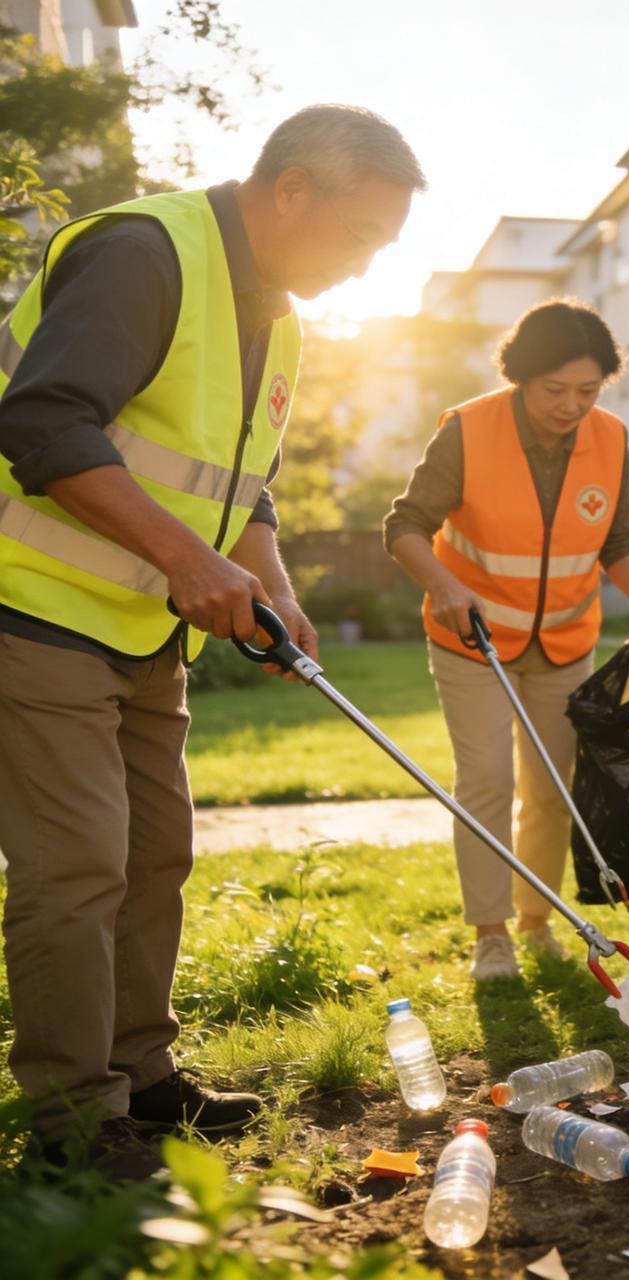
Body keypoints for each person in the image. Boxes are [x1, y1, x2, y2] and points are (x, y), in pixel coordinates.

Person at [0, 104, 424, 1178]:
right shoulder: (143, 254)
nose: (368, 265)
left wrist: (268, 578)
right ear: (291, 192)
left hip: (143, 624)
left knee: (156, 850)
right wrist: (195, 564)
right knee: (78, 863)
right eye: (361, 235)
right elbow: (44, 424)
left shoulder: (276, 313)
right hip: (32, 603)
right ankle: (71, 1123)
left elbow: (241, 479)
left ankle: (141, 1072)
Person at [384, 299, 629, 981]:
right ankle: (491, 937)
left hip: (564, 644)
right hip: (472, 640)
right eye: (556, 389)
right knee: (486, 780)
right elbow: (403, 525)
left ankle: (537, 921)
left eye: (588, 390)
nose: (572, 405)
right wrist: (445, 586)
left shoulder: (611, 438)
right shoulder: (467, 430)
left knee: (552, 788)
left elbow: (619, 536)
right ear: (521, 376)